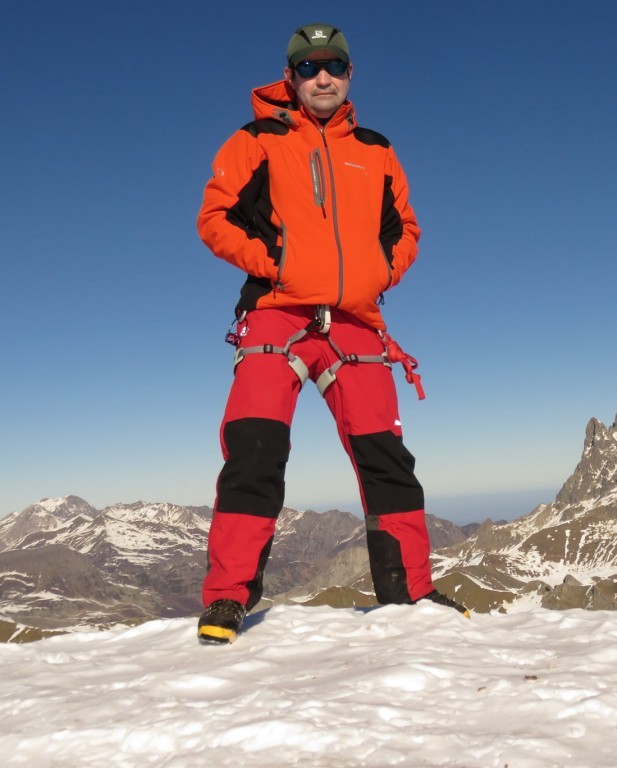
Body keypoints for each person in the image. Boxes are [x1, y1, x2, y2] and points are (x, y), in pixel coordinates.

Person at [195, 22, 466, 644]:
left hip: (354, 321)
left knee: (387, 459)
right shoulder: (256, 140)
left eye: (335, 66)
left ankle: (410, 593)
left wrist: (375, 278)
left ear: (349, 75)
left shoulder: (376, 148)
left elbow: (406, 228)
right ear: (290, 77)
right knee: (255, 450)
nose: (323, 76)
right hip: (277, 313)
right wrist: (278, 265)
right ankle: (227, 599)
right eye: (310, 66)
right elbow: (214, 219)